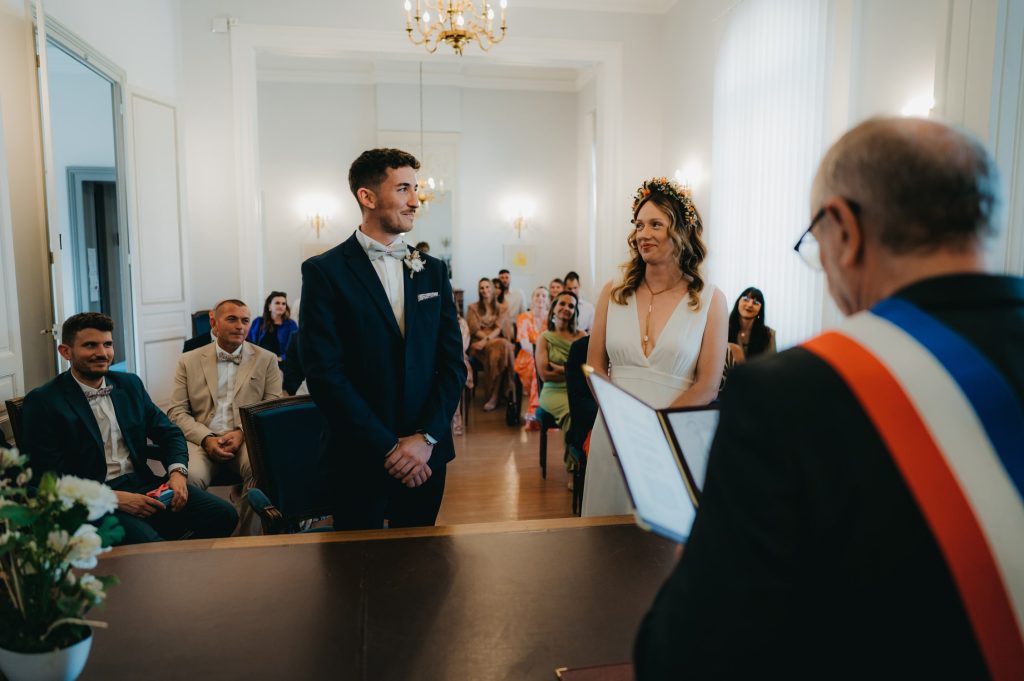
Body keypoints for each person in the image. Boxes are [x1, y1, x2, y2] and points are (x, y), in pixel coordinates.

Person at [634, 118, 1024, 680]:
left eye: (815, 240)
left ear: (844, 227)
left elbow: (682, 658)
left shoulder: (792, 396)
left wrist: (697, 555)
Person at [299, 148, 465, 530]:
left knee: (421, 569)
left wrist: (424, 440)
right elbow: (325, 373)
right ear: (368, 197)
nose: (414, 200)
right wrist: (389, 448)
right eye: (403, 188)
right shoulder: (324, 272)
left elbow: (452, 364)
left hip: (426, 457)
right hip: (358, 455)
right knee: (357, 578)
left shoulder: (433, 272)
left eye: (416, 189)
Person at [20, 312, 238, 545]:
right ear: (66, 351)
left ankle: (176, 564)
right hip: (91, 499)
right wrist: (113, 499)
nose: (102, 353)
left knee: (225, 515)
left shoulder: (129, 384)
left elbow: (169, 432)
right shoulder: (43, 401)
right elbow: (46, 479)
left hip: (143, 483)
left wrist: (177, 474)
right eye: (90, 345)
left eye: (108, 344)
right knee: (150, 544)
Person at [582, 177, 727, 517]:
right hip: (614, 436)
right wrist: (622, 427)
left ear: (682, 231)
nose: (642, 234)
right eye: (638, 225)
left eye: (655, 224)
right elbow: (595, 369)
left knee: (660, 552)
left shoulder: (710, 301)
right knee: (603, 546)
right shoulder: (613, 292)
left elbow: (707, 384)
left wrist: (656, 434)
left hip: (672, 439)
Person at [167, 299, 282, 535]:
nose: (240, 326)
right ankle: (200, 544)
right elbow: (176, 412)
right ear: (214, 322)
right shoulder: (188, 360)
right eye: (232, 319)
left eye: (245, 320)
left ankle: (246, 542)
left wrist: (241, 432)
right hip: (201, 440)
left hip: (246, 438)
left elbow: (271, 409)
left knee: (261, 472)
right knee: (189, 480)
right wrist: (207, 438)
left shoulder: (266, 359)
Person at [537, 291, 587, 435]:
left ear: (574, 312)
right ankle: (576, 452)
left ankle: (584, 452)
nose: (566, 308)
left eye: (571, 306)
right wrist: (574, 373)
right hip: (553, 391)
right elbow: (545, 376)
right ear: (553, 307)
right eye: (562, 304)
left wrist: (561, 369)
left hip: (579, 390)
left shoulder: (582, 336)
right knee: (574, 413)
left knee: (595, 413)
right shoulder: (544, 338)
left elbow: (589, 370)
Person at [467, 277, 515, 412]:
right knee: (504, 348)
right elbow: (475, 330)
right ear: (479, 290)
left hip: (493, 342)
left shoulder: (502, 308)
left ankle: (494, 395)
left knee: (501, 348)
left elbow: (499, 329)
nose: (485, 290)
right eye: (481, 287)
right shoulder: (473, 308)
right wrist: (485, 341)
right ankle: (507, 392)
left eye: (487, 287)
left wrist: (486, 340)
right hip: (479, 346)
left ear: (492, 289)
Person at [514, 286, 550, 430]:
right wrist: (540, 356)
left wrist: (543, 357)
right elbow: (524, 344)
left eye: (543, 296)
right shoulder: (523, 317)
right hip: (527, 357)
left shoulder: (552, 318)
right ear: (532, 299)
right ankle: (536, 413)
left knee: (540, 367)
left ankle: (538, 413)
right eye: (537, 295)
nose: (540, 298)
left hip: (546, 357)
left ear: (548, 300)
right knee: (537, 369)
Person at [727, 286, 776, 363]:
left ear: (760, 309)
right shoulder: (723, 329)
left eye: (755, 303)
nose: (750, 305)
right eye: (746, 299)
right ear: (738, 303)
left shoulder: (768, 334)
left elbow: (771, 365)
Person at [247, 291, 298, 363]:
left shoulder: (291, 324)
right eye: (277, 303)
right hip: (259, 361)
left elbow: (295, 347)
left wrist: (281, 358)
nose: (281, 306)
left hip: (281, 363)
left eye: (283, 304)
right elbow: (249, 342)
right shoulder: (258, 321)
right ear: (269, 306)